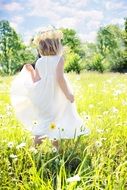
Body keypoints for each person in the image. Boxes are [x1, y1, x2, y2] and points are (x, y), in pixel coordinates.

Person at [10, 28, 90, 148]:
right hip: (55, 97)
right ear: (56, 47)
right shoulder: (59, 60)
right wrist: (68, 94)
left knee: (45, 120)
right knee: (55, 121)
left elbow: (36, 80)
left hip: (42, 96)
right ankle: (55, 150)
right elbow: (59, 78)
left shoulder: (39, 62)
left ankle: (35, 148)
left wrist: (31, 71)